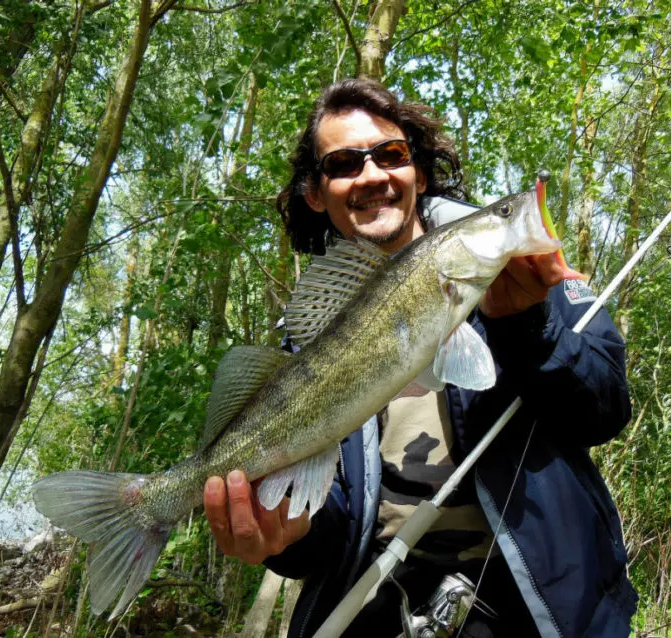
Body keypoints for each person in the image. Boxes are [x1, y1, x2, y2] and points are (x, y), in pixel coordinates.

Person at [202, 79, 637, 637]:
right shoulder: (311, 333)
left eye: (391, 154)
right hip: (379, 607)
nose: (372, 175)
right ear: (316, 193)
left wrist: (528, 326)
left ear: (419, 173)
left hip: (537, 607)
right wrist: (286, 540)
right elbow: (327, 523)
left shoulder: (524, 278)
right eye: (342, 164)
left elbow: (605, 410)